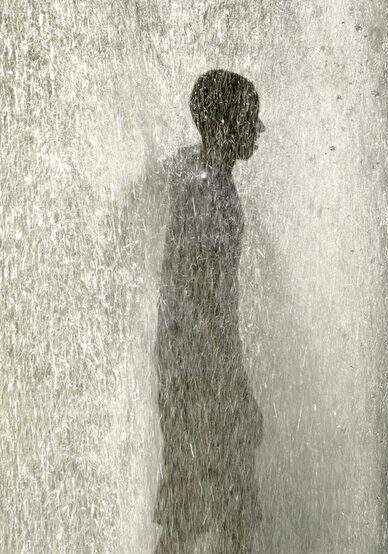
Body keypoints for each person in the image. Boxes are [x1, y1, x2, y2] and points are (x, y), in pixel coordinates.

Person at [154, 70, 265, 554]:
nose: (259, 128)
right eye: (251, 116)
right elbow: (206, 297)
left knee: (195, 510)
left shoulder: (197, 179)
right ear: (226, 122)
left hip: (185, 371)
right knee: (224, 511)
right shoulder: (211, 192)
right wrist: (237, 387)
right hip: (203, 379)